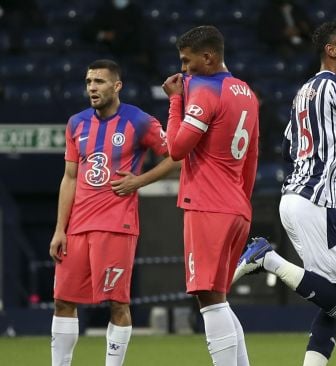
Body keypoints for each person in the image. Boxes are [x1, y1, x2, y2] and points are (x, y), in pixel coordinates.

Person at [233, 20, 336, 366]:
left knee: (333, 304)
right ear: (332, 50)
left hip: (295, 198)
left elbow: (290, 147)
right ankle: (265, 257)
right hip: (320, 203)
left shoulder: (305, 92)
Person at [49, 59, 178, 366]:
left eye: (99, 82)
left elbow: (177, 155)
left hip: (116, 225)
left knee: (117, 303)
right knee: (62, 301)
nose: (92, 87)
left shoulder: (138, 121)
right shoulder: (76, 123)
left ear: (116, 86)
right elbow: (69, 177)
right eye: (89, 81)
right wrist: (59, 229)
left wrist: (139, 181)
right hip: (77, 227)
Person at [162, 25, 259, 366]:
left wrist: (175, 101)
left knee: (208, 298)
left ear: (209, 57)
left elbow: (176, 148)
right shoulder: (246, 92)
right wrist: (241, 202)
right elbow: (252, 160)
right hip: (236, 206)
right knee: (218, 297)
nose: (184, 69)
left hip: (208, 205)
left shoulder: (203, 89)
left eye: (187, 62)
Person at [81, 0, 158, 79]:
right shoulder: (104, 11)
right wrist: (104, 35)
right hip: (108, 52)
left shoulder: (135, 11)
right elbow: (88, 32)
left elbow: (143, 34)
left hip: (132, 54)